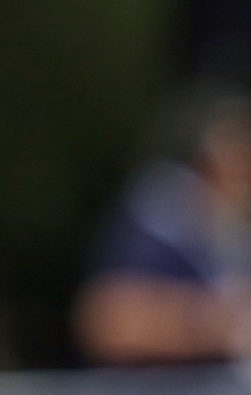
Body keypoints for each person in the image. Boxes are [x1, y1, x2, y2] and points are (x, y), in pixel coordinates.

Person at [75, 89, 251, 364]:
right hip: (161, 390)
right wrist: (218, 324)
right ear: (204, 163)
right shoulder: (164, 217)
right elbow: (109, 320)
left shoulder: (233, 229)